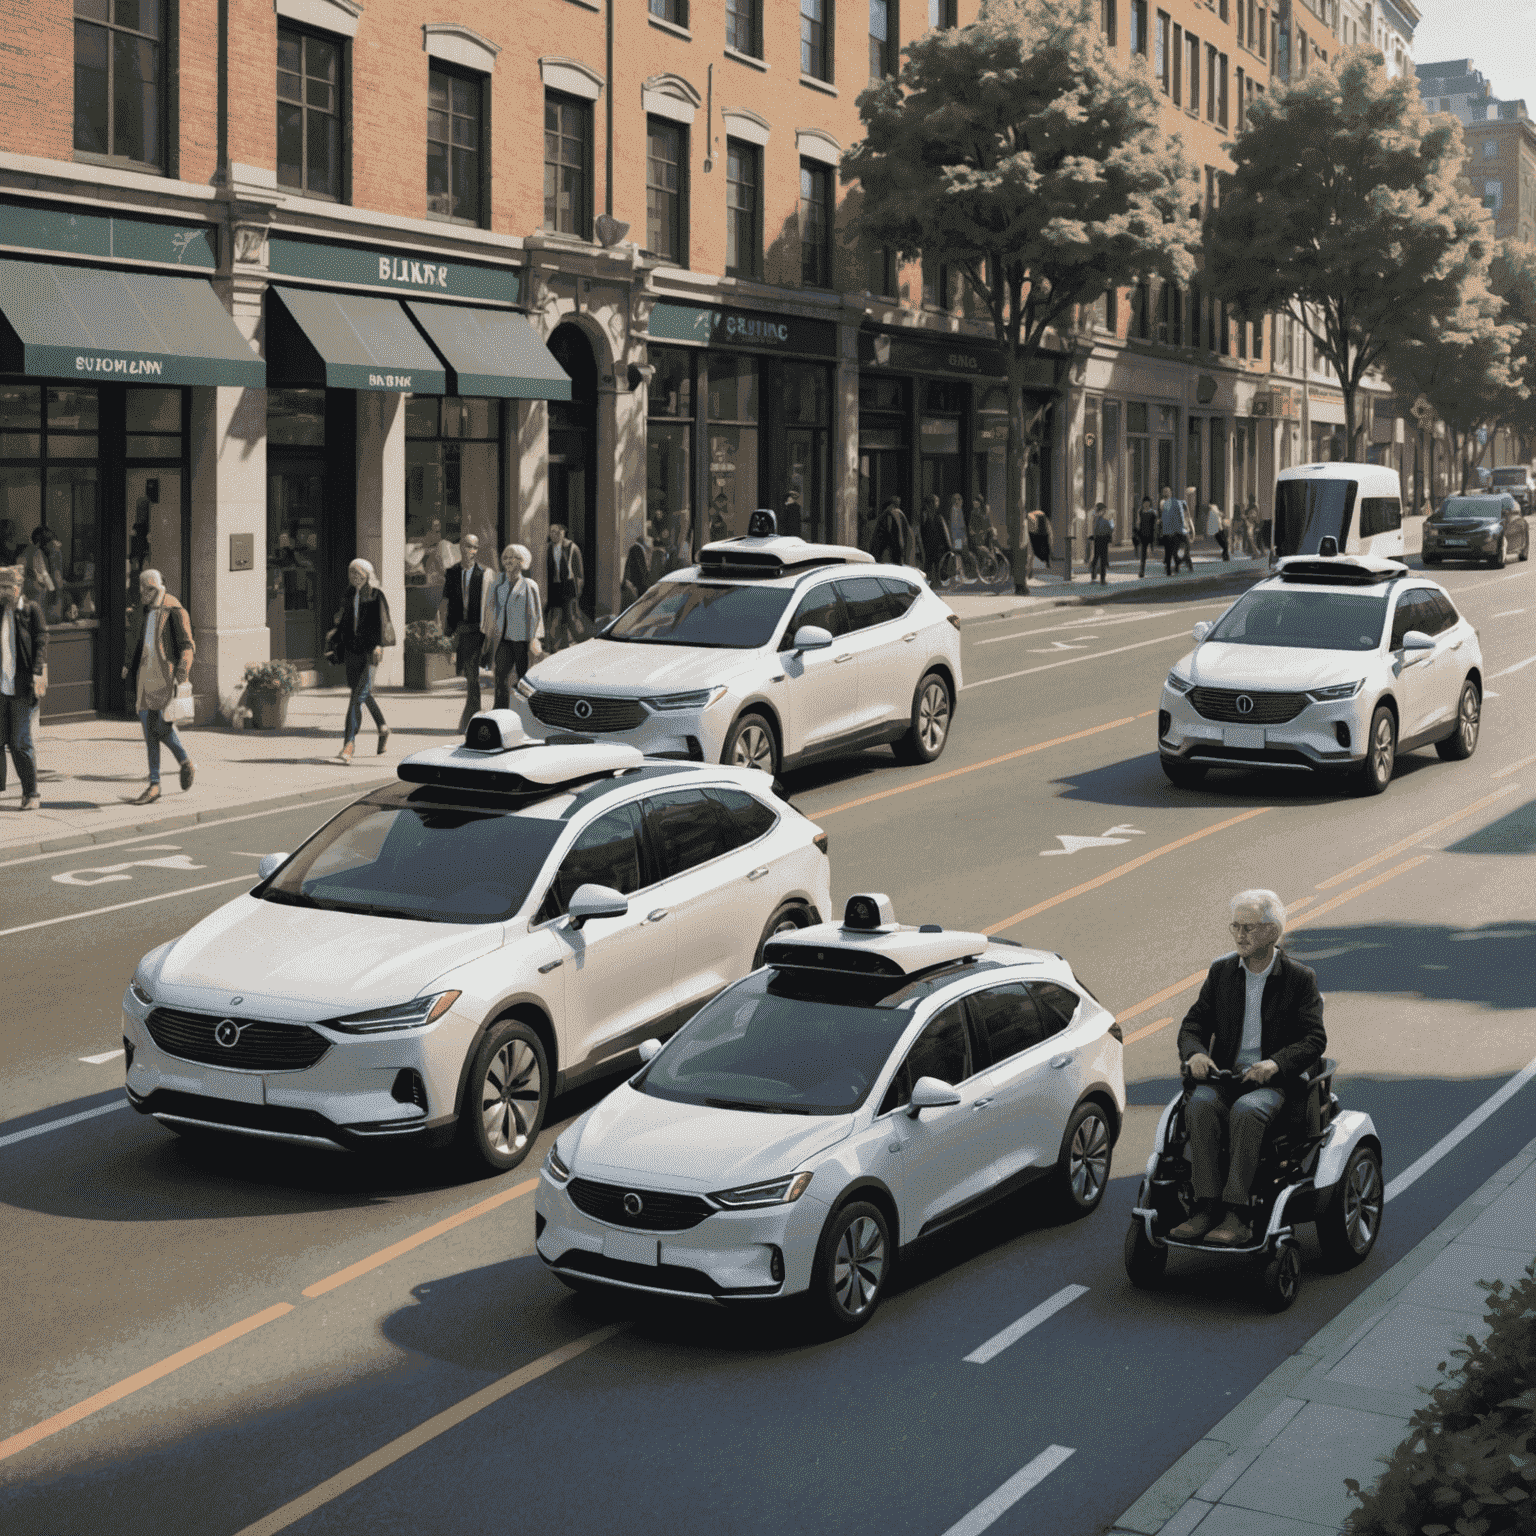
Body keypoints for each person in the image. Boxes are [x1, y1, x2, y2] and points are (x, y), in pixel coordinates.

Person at [1170, 890, 1327, 1248]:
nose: (1240, 936)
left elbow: (1314, 1039)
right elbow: (1193, 1025)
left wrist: (1274, 1065)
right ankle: (1205, 1207)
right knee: (1200, 1104)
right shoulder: (1222, 971)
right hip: (1226, 1076)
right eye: (1236, 927)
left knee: (1246, 1111)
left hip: (1273, 1084)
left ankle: (1236, 1215)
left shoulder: (1299, 978)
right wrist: (1194, 1054)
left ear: (1272, 932)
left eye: (1249, 928)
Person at [120, 567, 195, 803]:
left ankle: (185, 761)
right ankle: (154, 784)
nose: (143, 592)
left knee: (161, 727)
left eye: (149, 588)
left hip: (165, 675)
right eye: (141, 586)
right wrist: (126, 664)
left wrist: (183, 670)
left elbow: (187, 644)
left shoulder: (174, 609)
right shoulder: (142, 611)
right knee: (148, 729)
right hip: (145, 675)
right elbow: (134, 638)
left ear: (160, 588)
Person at [332, 558, 392, 764]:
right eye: (352, 573)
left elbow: (384, 623)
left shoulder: (376, 595)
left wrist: (379, 645)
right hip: (352, 651)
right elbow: (343, 623)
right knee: (361, 693)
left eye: (359, 573)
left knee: (357, 697)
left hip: (369, 652)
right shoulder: (348, 595)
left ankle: (349, 744)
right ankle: (383, 727)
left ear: (368, 575)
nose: (355, 577)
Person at [0, 563, 47, 811]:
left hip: (21, 686)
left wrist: (37, 670)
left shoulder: (30, 610)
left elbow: (41, 639)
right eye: (1, 587)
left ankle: (31, 792)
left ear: (18, 588)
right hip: (1, 687)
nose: (4, 592)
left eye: (8, 587)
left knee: (19, 742)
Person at [439, 532, 490, 733]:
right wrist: (446, 631)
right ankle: (473, 713)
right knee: (469, 674)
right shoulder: (452, 572)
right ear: (460, 548)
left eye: (474, 547)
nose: (471, 551)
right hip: (462, 629)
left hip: (479, 630)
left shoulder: (485, 573)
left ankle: (470, 716)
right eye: (467, 546)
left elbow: (490, 605)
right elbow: (447, 602)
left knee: (472, 674)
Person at [486, 543, 543, 709]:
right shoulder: (500, 586)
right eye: (506, 557)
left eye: (514, 557)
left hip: (523, 640)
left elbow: (536, 615)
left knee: (524, 679)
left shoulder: (530, 585)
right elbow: (494, 612)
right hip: (504, 638)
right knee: (500, 675)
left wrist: (534, 639)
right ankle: (500, 709)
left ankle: (528, 710)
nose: (509, 561)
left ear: (522, 561)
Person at [544, 524, 586, 653]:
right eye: (551, 532)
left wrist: (577, 592)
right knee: (555, 617)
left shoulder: (572, 548)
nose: (554, 534)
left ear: (563, 533)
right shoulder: (549, 548)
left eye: (557, 532)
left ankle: (582, 643)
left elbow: (579, 574)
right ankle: (557, 647)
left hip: (568, 587)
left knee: (570, 617)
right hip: (554, 588)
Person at [869, 496, 912, 568]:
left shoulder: (891, 514)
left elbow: (896, 535)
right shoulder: (900, 515)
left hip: (891, 553)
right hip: (897, 553)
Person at [918, 493, 950, 582]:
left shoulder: (927, 515)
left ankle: (930, 583)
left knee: (930, 566)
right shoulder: (935, 516)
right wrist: (948, 546)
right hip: (933, 546)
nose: (937, 504)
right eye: (936, 501)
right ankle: (933, 583)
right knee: (934, 565)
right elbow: (944, 533)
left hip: (931, 546)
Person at [1158, 486, 1187, 577]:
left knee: (1174, 551)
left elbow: (1180, 515)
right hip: (1167, 531)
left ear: (1171, 492)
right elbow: (1164, 511)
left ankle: (1177, 565)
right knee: (1168, 552)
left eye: (1168, 491)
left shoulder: (1175, 502)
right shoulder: (1163, 502)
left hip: (1175, 531)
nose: (1166, 493)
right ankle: (1168, 570)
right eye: (1164, 491)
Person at [1089, 502, 1114, 584]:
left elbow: (1094, 530)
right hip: (1103, 540)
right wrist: (1111, 521)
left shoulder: (1095, 518)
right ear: (1102, 510)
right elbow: (1110, 529)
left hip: (1097, 540)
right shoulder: (1103, 519)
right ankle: (1102, 579)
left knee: (1096, 558)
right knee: (1103, 559)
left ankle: (1093, 577)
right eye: (1104, 510)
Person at [1136, 494, 1158, 577]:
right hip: (1143, 534)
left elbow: (1155, 525)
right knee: (1143, 554)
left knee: (1152, 553)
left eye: (1147, 502)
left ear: (1149, 503)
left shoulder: (1153, 512)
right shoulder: (1140, 511)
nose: (1146, 504)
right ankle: (1142, 571)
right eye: (1144, 503)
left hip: (1151, 534)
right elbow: (1138, 522)